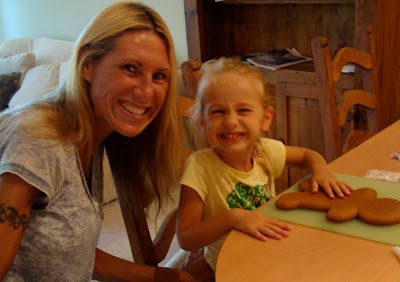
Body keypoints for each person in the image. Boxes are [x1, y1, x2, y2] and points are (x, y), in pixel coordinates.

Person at [0, 2, 194, 281]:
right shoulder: (36, 139)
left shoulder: (97, 136)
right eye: (130, 68)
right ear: (88, 66)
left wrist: (163, 277)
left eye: (159, 76)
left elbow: (73, 254)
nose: (146, 91)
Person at [176, 57, 353, 274]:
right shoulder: (200, 167)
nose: (231, 121)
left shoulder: (264, 150)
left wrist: (321, 170)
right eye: (218, 112)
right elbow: (186, 238)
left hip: (269, 252)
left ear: (265, 118)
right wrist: (233, 218)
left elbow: (308, 155)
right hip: (228, 267)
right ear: (202, 123)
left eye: (243, 110)